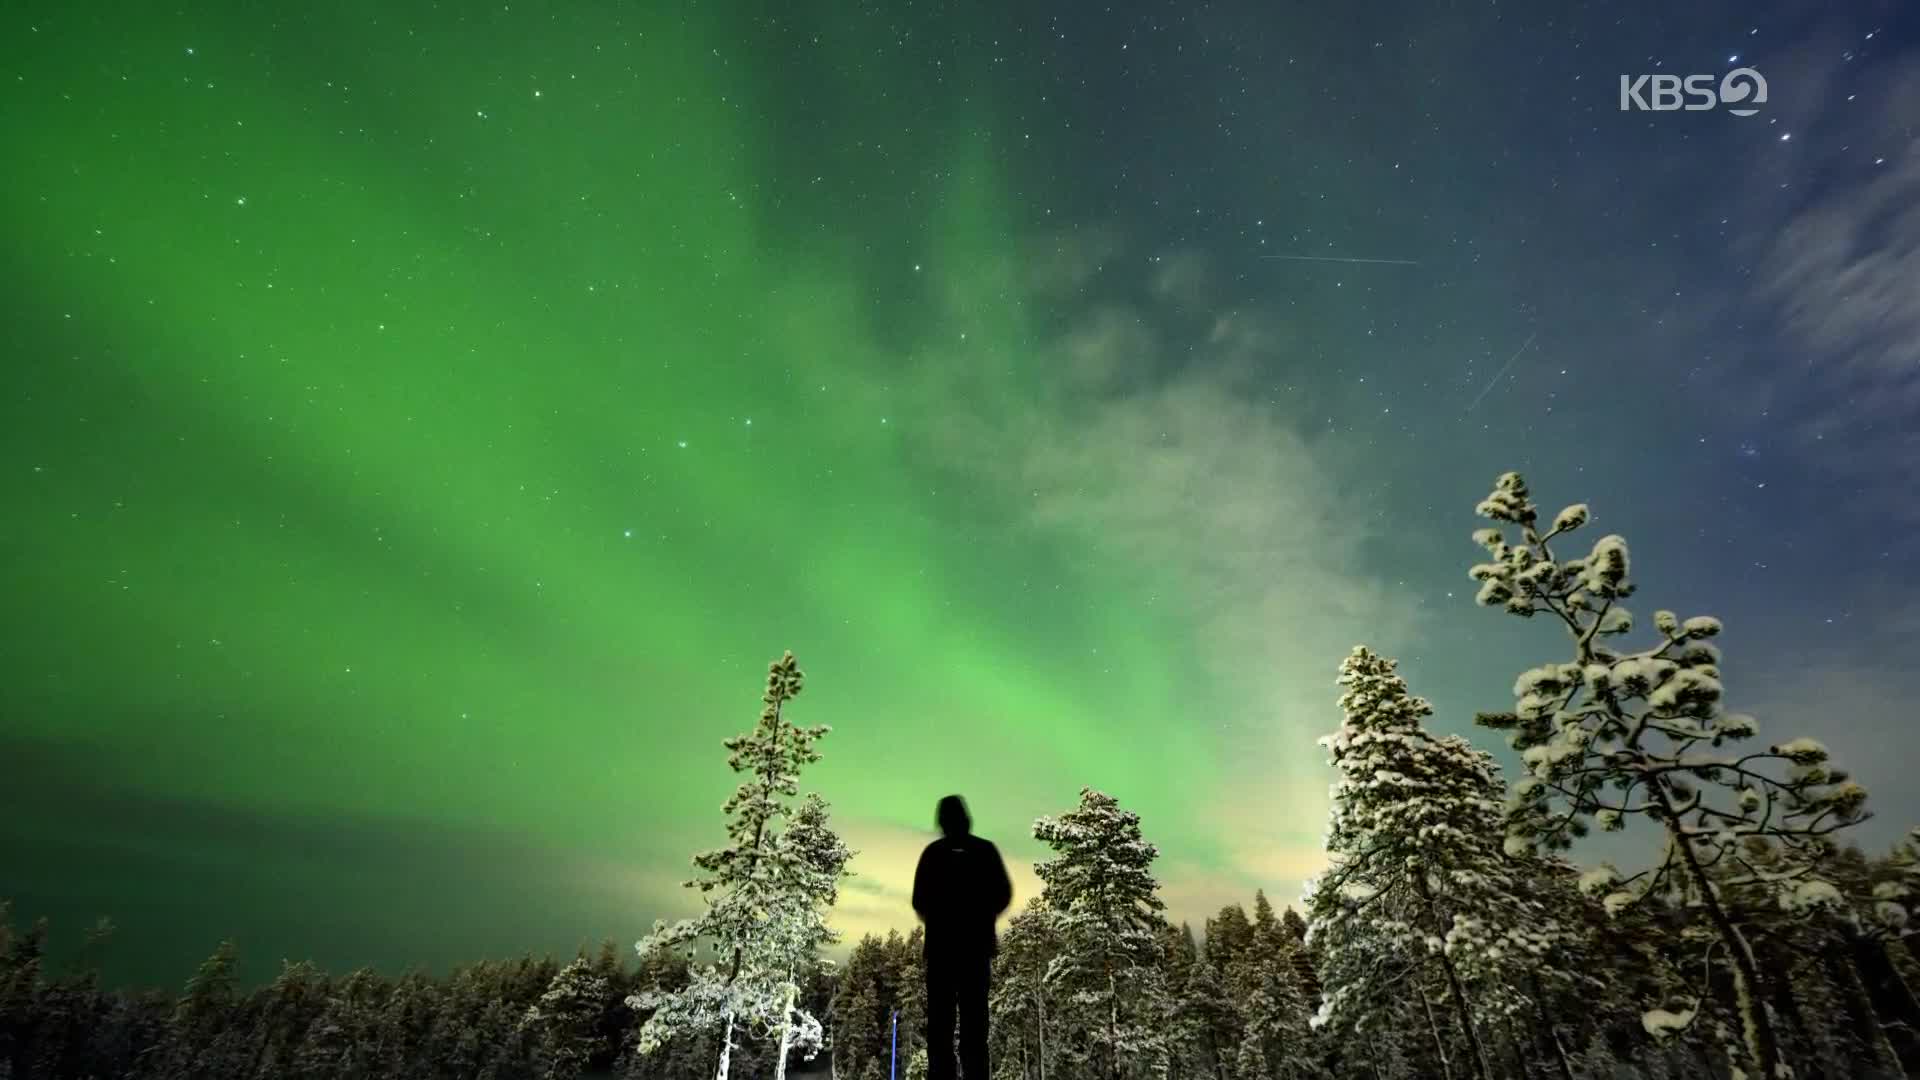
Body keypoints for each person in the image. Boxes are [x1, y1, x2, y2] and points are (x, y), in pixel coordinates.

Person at [911, 794, 1014, 1080]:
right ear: (966, 818)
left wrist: (940, 917)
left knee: (940, 1030)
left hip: (942, 954)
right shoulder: (985, 851)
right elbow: (1004, 894)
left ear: (942, 821)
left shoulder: (932, 854)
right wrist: (982, 917)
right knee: (975, 1029)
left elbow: (919, 901)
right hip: (976, 953)